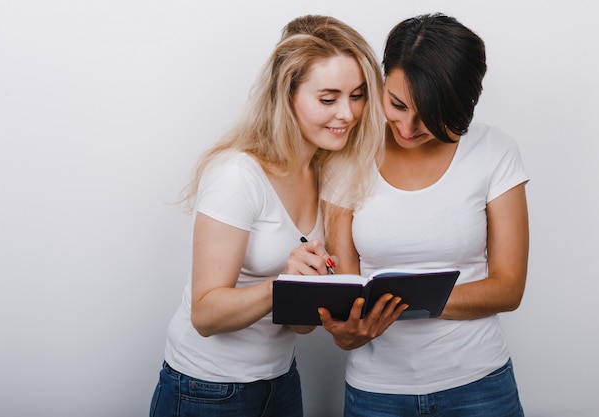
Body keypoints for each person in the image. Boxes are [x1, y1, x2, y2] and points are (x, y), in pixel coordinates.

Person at [149, 15, 386, 417]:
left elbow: (300, 326)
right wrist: (285, 284)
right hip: (206, 390)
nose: (347, 113)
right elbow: (205, 315)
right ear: (286, 95)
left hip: (280, 382)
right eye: (328, 99)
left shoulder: (322, 172)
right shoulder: (237, 176)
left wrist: (315, 290)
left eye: (358, 95)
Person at [318, 13, 529, 417]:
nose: (409, 127)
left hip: (479, 386)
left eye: (430, 115)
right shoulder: (345, 160)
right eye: (396, 104)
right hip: (375, 392)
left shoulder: (494, 151)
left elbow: (508, 288)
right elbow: (347, 303)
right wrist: (347, 331)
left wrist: (397, 298)